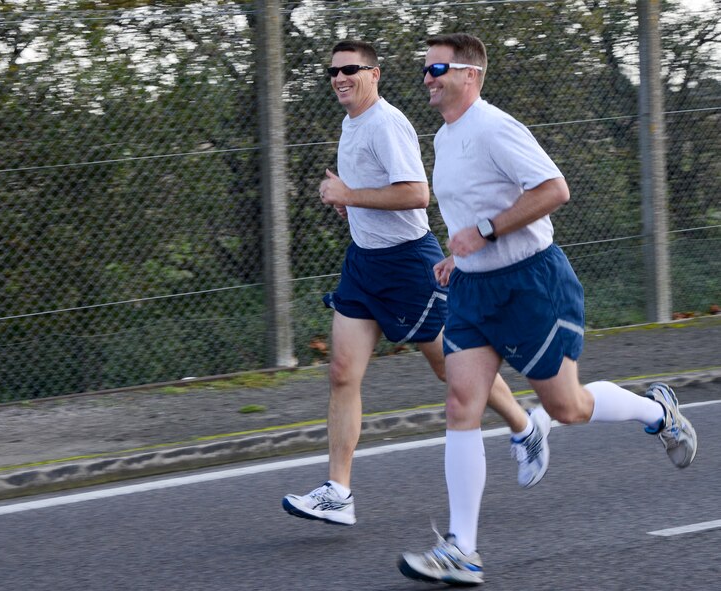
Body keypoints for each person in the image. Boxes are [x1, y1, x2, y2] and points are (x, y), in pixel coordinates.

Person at [398, 33, 698, 586]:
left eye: (437, 68)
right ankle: (463, 548)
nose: (427, 78)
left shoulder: (496, 128)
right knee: (461, 401)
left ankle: (659, 413)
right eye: (424, 70)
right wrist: (455, 254)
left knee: (566, 407)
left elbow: (553, 189)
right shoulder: (443, 138)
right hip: (473, 291)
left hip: (532, 285)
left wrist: (485, 232)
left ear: (470, 74)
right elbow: (472, 213)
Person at [281, 39, 552, 528]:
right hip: (364, 266)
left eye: (350, 70)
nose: (340, 78)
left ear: (375, 74)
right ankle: (338, 491)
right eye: (333, 72)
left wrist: (349, 193)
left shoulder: (386, 124)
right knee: (342, 372)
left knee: (453, 371)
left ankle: (525, 425)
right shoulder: (352, 123)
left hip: (409, 267)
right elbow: (376, 192)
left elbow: (415, 194)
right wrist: (351, 202)